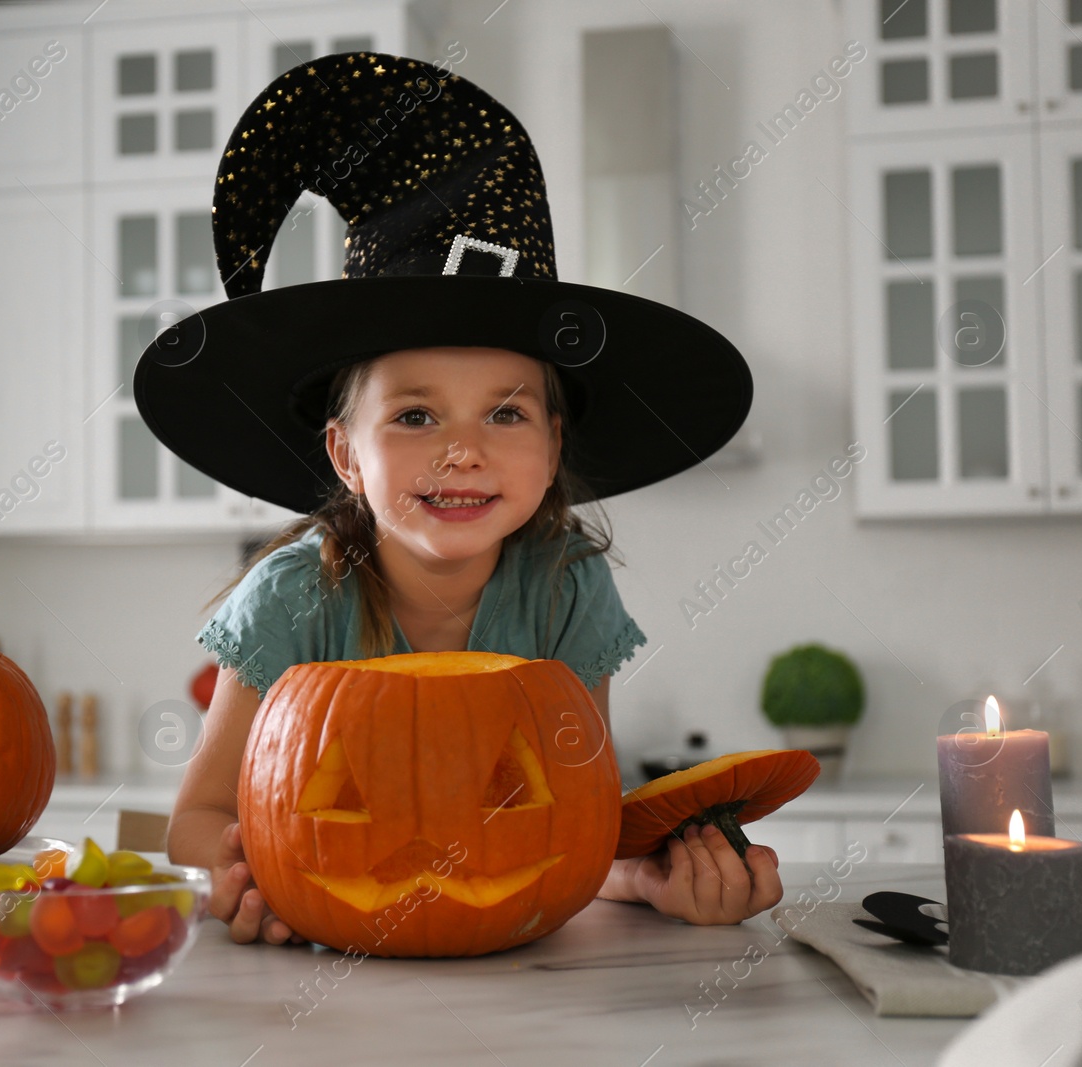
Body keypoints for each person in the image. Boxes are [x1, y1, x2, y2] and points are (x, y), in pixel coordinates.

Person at [134, 51, 767, 946]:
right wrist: (246, 877)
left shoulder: (566, 588)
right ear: (346, 453)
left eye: (506, 413)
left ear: (552, 448)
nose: (463, 450)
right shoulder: (291, 596)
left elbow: (566, 825)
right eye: (417, 413)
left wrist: (655, 880)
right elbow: (192, 821)